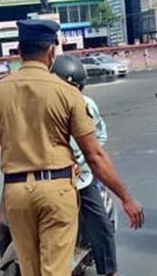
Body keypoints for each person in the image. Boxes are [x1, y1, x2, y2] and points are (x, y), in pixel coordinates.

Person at [0, 19, 144, 276]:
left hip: (16, 192)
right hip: (57, 190)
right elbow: (94, 154)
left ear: (19, 52)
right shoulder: (68, 93)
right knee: (55, 270)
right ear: (50, 52)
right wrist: (126, 197)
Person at [51, 54, 120, 276]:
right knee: (7, 224)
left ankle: (109, 271)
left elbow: (99, 137)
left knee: (100, 224)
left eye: (73, 87)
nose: (69, 92)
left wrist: (81, 157)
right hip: (47, 176)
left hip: (81, 176)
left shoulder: (86, 105)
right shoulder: (43, 105)